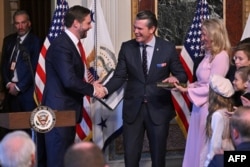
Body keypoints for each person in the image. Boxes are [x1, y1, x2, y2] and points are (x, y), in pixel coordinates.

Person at [97, 10, 187, 167]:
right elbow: (119, 76)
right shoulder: (127, 47)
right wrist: (104, 90)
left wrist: (175, 78)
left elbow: (182, 74)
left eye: (140, 28)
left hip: (159, 110)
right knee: (130, 157)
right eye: (134, 27)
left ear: (152, 29)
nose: (136, 32)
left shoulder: (167, 48)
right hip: (133, 111)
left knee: (158, 158)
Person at [36, 5, 104, 167]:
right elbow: (68, 80)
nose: (91, 26)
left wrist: (90, 84)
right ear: (76, 24)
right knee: (57, 160)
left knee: (64, 159)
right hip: (59, 112)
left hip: (66, 112)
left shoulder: (69, 44)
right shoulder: (62, 45)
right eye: (88, 23)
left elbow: (70, 77)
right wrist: (93, 90)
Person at [174, 18, 231, 167]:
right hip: (199, 107)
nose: (202, 38)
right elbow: (202, 82)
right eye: (201, 34)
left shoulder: (221, 57)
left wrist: (187, 90)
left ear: (215, 35)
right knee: (195, 144)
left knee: (204, 146)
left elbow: (212, 86)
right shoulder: (208, 55)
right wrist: (186, 86)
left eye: (205, 34)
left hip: (210, 107)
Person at [0, 10, 42, 138]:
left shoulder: (36, 41)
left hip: (27, 93)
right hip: (10, 92)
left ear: (29, 23)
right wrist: (8, 84)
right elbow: (3, 64)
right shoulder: (8, 40)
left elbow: (34, 68)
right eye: (17, 23)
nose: (20, 26)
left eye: (23, 23)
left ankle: (29, 156)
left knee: (28, 128)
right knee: (11, 129)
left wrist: (18, 87)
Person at [203, 74, 235, 167]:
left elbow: (215, 144)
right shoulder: (229, 109)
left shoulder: (217, 115)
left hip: (220, 154)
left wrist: (209, 162)